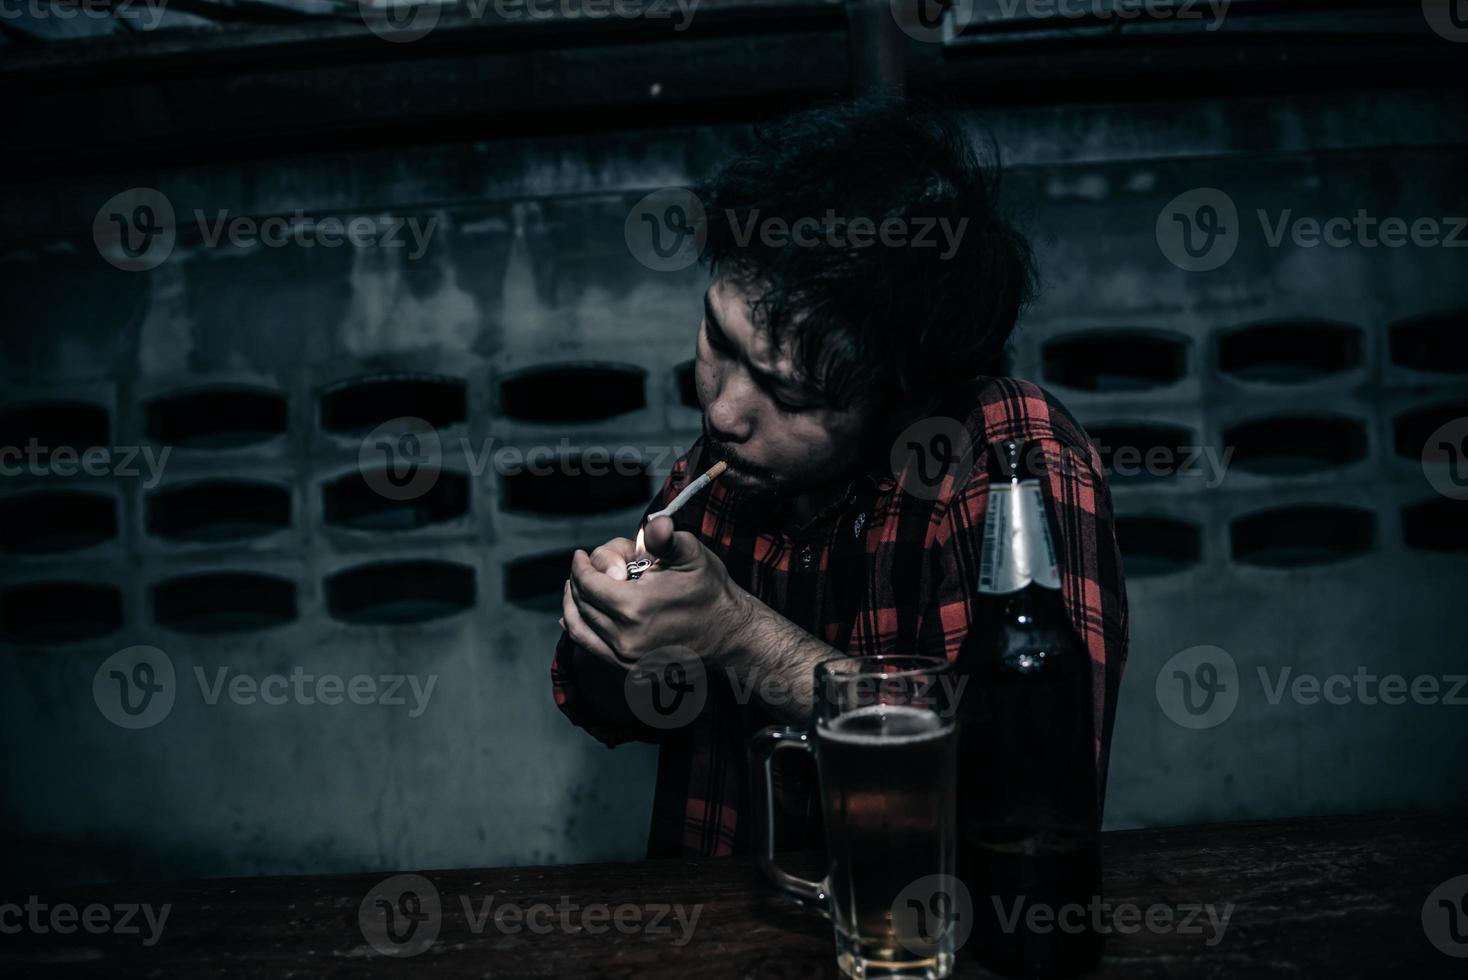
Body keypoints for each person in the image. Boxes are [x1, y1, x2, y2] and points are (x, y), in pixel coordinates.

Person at [551, 92, 1129, 858]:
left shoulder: (1011, 463)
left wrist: (737, 633)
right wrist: (611, 639)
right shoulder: (729, 468)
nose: (725, 411)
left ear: (901, 401)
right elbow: (629, 712)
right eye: (717, 341)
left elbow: (1034, 797)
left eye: (789, 395)